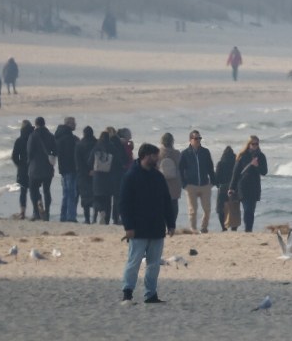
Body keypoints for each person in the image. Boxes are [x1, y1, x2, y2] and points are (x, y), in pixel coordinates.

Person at [120, 143, 177, 305]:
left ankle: (150, 295)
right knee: (134, 262)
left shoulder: (158, 177)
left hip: (157, 228)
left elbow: (167, 201)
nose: (157, 158)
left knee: (154, 265)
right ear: (145, 156)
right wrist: (128, 227)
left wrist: (171, 223)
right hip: (138, 229)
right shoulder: (131, 176)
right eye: (154, 155)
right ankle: (127, 294)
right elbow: (124, 204)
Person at [179, 130, 216, 234]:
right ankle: (193, 229)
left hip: (205, 184)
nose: (198, 140)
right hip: (191, 185)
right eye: (196, 138)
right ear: (190, 140)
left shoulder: (205, 152)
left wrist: (213, 181)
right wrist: (184, 184)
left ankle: (204, 228)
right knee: (193, 210)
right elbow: (180, 170)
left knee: (207, 209)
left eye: (200, 138)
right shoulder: (185, 153)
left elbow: (210, 167)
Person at [229, 135, 268, 232]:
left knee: (251, 210)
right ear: (248, 144)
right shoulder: (242, 156)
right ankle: (247, 229)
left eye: (257, 144)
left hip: (254, 186)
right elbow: (236, 172)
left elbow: (264, 172)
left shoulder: (261, 156)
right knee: (247, 209)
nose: (255, 146)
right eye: (253, 144)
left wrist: (257, 166)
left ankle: (249, 229)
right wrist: (231, 187)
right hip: (243, 186)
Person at [27, 116, 57, 221]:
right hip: (47, 168)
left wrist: (29, 162)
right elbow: (55, 151)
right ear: (44, 124)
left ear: (36, 124)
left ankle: (36, 211)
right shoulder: (50, 136)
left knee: (33, 189)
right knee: (47, 190)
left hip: (35, 168)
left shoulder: (32, 135)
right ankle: (47, 213)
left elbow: (29, 152)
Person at [90, 130, 119, 224]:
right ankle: (106, 220)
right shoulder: (113, 148)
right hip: (109, 177)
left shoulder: (96, 147)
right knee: (107, 199)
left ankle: (101, 211)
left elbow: (89, 160)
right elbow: (118, 162)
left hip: (98, 177)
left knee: (97, 197)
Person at [54, 117, 79, 222]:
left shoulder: (59, 136)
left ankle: (63, 216)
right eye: (73, 123)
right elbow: (71, 155)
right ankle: (71, 216)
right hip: (70, 168)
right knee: (71, 193)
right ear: (68, 124)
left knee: (66, 193)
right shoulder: (69, 138)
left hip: (63, 168)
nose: (75, 125)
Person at [11, 120, 33, 220]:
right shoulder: (34, 138)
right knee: (35, 190)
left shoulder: (19, 140)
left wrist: (19, 165)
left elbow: (14, 156)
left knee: (23, 191)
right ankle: (38, 206)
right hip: (33, 167)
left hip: (23, 168)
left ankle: (22, 212)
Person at [75, 126, 97, 224]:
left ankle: (87, 218)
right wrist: (93, 170)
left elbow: (78, 162)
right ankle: (95, 218)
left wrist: (86, 171)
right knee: (95, 196)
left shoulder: (79, 145)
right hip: (97, 174)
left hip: (83, 175)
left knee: (85, 197)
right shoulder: (97, 144)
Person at [215, 146, 239, 231]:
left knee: (221, 209)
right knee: (233, 208)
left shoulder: (220, 163)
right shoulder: (236, 163)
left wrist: (218, 185)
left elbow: (216, 177)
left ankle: (224, 227)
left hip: (223, 188)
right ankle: (234, 227)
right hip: (234, 188)